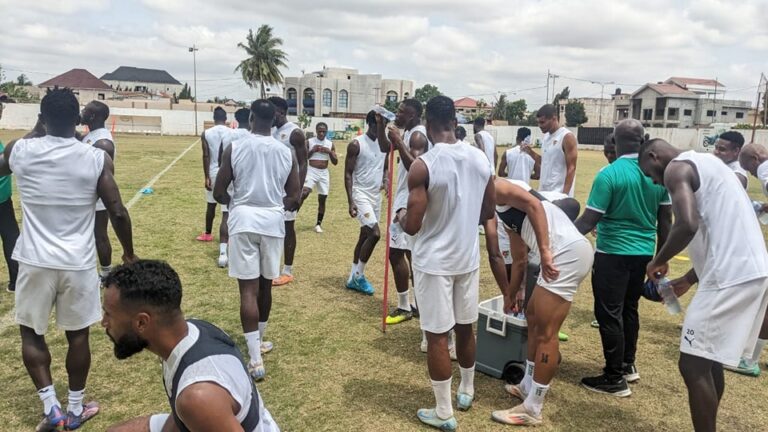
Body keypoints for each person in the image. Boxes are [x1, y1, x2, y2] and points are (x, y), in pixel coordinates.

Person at [0, 88, 136, 431]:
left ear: (41, 118)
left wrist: (36, 128)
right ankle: (74, 408)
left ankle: (52, 408)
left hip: (33, 260)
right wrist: (129, 252)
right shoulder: (94, 158)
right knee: (78, 337)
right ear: (78, 119)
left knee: (31, 335)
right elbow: (117, 210)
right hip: (77, 262)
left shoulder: (21, 150)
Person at [639, 138, 768, 432]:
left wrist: (657, 260)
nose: (656, 181)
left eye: (650, 174)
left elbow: (687, 223)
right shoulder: (712, 165)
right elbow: (718, 232)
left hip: (729, 276)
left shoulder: (676, 168)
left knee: (692, 364)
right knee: (709, 360)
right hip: (752, 270)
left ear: (653, 156)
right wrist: (687, 278)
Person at [401, 95, 495, 431]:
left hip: (433, 262)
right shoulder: (481, 159)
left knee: (438, 336)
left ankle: (443, 411)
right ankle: (466, 390)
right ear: (455, 122)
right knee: (465, 328)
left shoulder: (423, 164)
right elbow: (487, 213)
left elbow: (411, 225)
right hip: (466, 259)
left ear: (427, 125)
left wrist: (399, 215)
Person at [103, 260, 280, 432]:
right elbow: (185, 415)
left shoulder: (197, 397)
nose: (104, 323)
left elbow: (197, 405)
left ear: (142, 322)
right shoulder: (192, 331)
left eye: (108, 314)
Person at [573, 119, 672, 397]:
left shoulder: (609, 174)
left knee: (609, 313)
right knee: (629, 309)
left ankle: (614, 377)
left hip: (612, 253)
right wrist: (661, 258)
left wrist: (558, 235)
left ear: (614, 142)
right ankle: (628, 365)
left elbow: (589, 219)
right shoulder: (658, 172)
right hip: (643, 254)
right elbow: (666, 221)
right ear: (643, 140)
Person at [489, 179, 592, 427]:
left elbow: (534, 205)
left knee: (547, 332)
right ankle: (527, 384)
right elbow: (519, 257)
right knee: (533, 317)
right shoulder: (499, 207)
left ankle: (533, 408)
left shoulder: (497, 187)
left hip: (565, 254)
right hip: (560, 253)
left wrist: (545, 251)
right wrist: (511, 294)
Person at [214, 99, 300, 381]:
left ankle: (254, 358)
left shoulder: (235, 147)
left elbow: (219, 191)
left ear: (250, 118)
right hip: (273, 223)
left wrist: (236, 203)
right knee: (265, 287)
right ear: (274, 120)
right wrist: (275, 205)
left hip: (243, 221)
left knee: (247, 291)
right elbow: (294, 196)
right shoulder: (286, 152)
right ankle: (259, 342)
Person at [377, 99, 429, 323]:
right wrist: (381, 126)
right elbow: (383, 148)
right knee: (410, 254)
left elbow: (416, 166)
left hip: (407, 203)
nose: (396, 114)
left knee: (396, 253)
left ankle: (404, 306)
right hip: (402, 198)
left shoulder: (417, 135)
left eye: (401, 112)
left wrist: (398, 140)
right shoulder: (406, 132)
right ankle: (418, 304)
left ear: (413, 115)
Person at [344, 111, 387, 295]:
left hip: (375, 197)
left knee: (364, 235)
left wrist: (385, 179)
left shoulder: (384, 144)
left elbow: (385, 166)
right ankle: (359, 276)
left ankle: (352, 276)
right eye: (379, 125)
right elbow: (347, 173)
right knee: (375, 234)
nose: (382, 129)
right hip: (360, 194)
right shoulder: (356, 144)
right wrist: (351, 201)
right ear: (370, 123)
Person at [268, 96, 308, 287]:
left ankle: (287, 271)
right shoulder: (271, 131)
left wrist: (297, 193)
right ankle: (272, 267)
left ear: (281, 112)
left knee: (288, 228)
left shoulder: (295, 133)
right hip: (272, 189)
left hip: (288, 191)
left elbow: (303, 162)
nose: (269, 114)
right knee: (273, 228)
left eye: (272, 110)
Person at [80, 101, 116, 279]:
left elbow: (103, 174)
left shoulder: (103, 142)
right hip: (86, 196)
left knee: (100, 235)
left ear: (93, 116)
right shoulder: (90, 135)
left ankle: (106, 273)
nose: (82, 112)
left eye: (85, 110)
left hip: (97, 198)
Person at [215, 108, 253, 268]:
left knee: (226, 214)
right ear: (251, 118)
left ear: (236, 119)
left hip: (228, 177)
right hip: (246, 179)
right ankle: (244, 252)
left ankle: (223, 253)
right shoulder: (252, 136)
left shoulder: (227, 134)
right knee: (247, 215)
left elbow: (219, 159)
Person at [527, 104, 578, 197]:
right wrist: (529, 152)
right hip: (544, 192)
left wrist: (564, 196)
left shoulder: (566, 136)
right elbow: (546, 162)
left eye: (542, 122)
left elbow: (572, 168)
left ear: (554, 119)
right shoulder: (546, 137)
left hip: (558, 194)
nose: (539, 126)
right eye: (538, 122)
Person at [196, 107, 230, 245]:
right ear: (226, 118)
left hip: (212, 171)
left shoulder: (206, 133)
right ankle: (226, 238)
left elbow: (205, 155)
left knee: (211, 204)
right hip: (227, 172)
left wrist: (206, 177)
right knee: (226, 209)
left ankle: (208, 234)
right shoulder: (231, 132)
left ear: (214, 118)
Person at [303, 122, 338, 233]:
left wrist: (329, 152)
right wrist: (312, 150)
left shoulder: (330, 144)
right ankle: (291, 217)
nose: (322, 133)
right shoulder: (309, 142)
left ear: (326, 132)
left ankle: (318, 224)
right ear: (316, 131)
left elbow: (335, 162)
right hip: (312, 170)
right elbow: (303, 158)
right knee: (304, 193)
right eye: (319, 131)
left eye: (324, 131)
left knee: (322, 199)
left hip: (324, 172)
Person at [0, 101, 19, 293]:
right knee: (12, 238)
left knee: (12, 239)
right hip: (2, 201)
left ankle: (15, 281)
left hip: (4, 201)